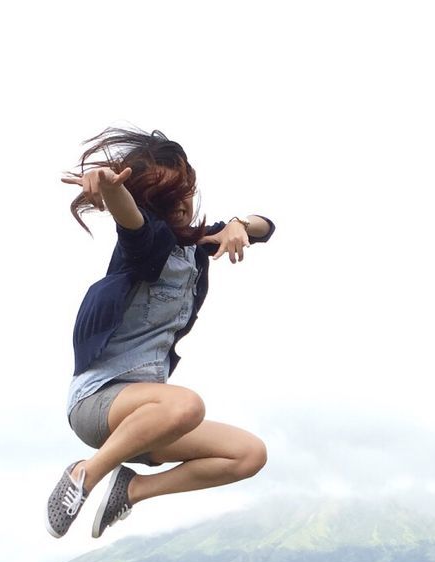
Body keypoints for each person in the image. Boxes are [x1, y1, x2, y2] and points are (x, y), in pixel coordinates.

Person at [45, 128, 274, 540]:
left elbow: (267, 227)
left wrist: (239, 225)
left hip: (149, 422)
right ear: (154, 202)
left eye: (187, 192)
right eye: (172, 200)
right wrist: (109, 186)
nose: (184, 205)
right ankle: (85, 474)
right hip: (99, 403)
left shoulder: (199, 244)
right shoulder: (146, 244)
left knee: (249, 455)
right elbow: (128, 216)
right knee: (188, 405)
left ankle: (132, 489)